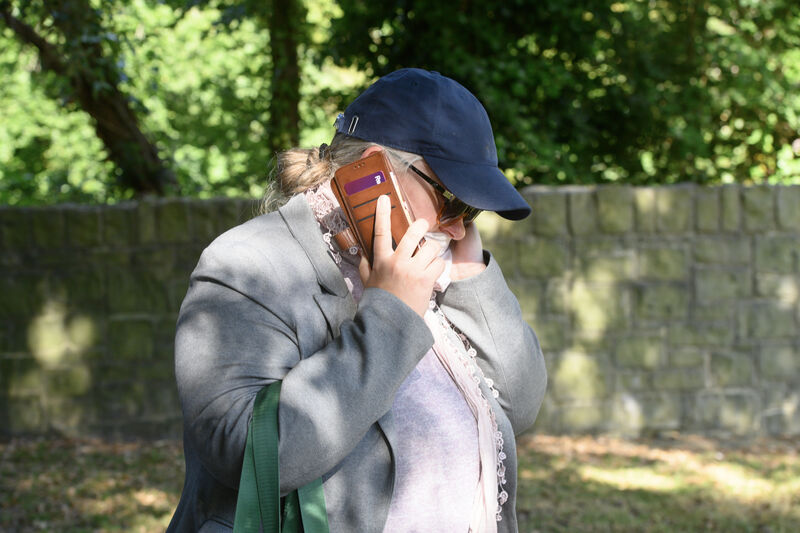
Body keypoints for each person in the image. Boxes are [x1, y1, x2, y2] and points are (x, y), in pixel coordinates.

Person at [167, 68, 547, 533]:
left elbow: (521, 404)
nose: (457, 227)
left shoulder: (426, 263)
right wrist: (391, 317)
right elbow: (247, 455)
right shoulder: (247, 264)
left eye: (472, 212)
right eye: (453, 201)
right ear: (375, 172)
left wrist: (470, 275)